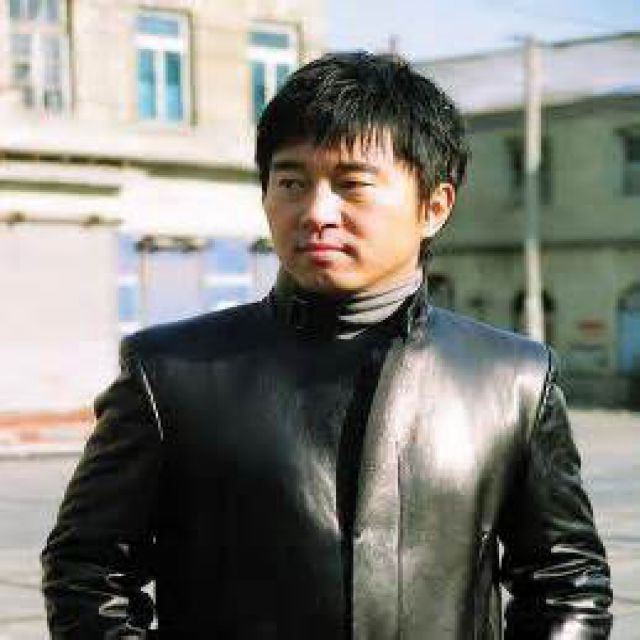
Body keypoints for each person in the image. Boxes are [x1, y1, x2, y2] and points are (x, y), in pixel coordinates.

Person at [42, 52, 612, 639]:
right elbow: (87, 571)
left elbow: (567, 583)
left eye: (352, 185)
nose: (316, 213)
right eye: (291, 182)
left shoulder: (512, 380)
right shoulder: (171, 374)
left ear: (434, 207)